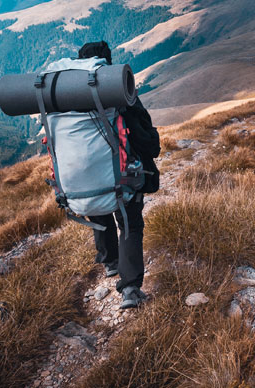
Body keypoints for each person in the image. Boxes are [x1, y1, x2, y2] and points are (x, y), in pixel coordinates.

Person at [78, 41, 160, 309]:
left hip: (82, 177)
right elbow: (147, 142)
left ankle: (111, 262)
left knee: (99, 208)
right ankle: (130, 288)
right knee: (129, 223)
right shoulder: (120, 97)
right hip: (123, 176)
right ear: (108, 63)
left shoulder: (68, 101)